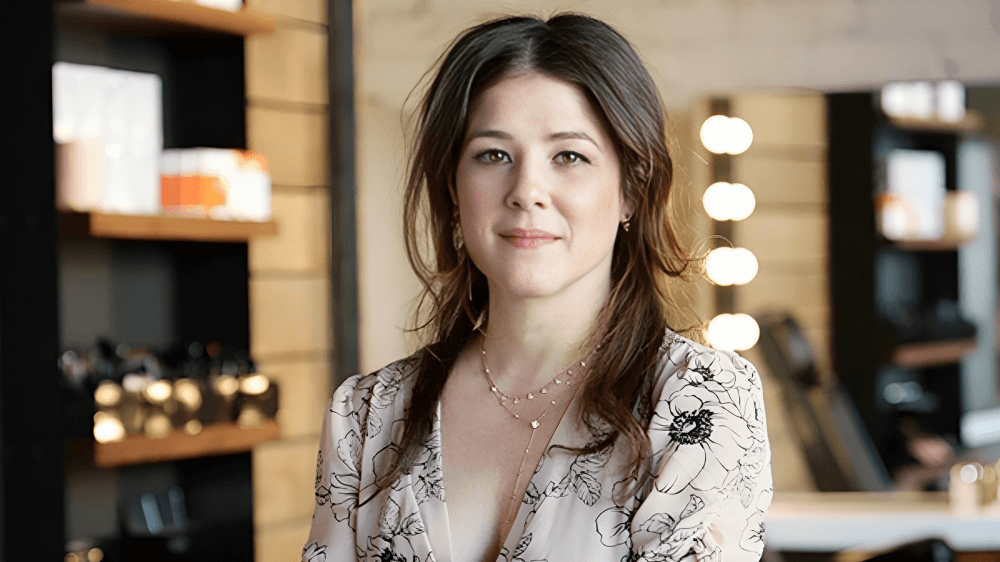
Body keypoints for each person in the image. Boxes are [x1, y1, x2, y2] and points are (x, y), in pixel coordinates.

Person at [304, 13, 772, 562]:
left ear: (631, 190)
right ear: (453, 188)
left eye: (568, 156)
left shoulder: (701, 400)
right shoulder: (367, 417)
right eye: (493, 155)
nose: (527, 190)